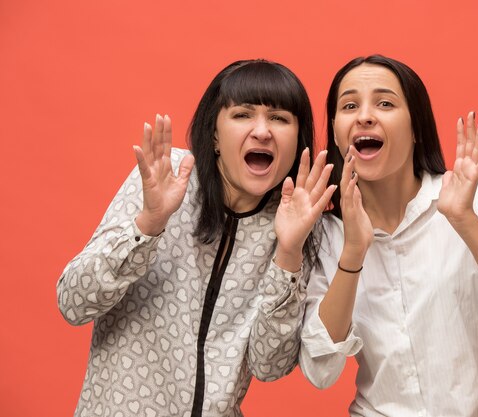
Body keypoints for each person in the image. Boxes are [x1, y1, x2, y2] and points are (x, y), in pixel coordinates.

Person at [57, 59, 336, 417]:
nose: (262, 131)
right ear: (215, 134)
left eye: (279, 118)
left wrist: (289, 251)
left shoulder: (298, 216)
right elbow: (73, 303)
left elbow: (270, 365)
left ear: (297, 139)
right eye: (243, 115)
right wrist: (149, 224)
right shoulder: (167, 177)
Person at [299, 55, 478, 416]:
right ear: (337, 128)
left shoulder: (477, 193)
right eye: (349, 105)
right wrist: (353, 254)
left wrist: (465, 222)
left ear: (416, 125)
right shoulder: (325, 234)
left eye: (385, 103)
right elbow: (320, 369)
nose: (364, 115)